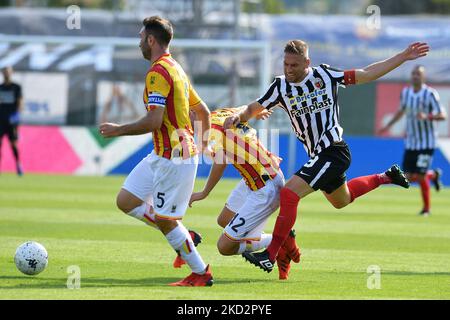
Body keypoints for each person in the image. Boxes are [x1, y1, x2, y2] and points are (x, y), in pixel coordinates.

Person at [224, 40, 429, 273]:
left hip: (333, 150)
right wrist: (238, 116)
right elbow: (253, 108)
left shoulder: (325, 75)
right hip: (319, 155)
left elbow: (367, 73)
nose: (289, 69)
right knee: (342, 200)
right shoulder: (280, 86)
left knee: (289, 193)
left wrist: (403, 55)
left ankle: (270, 255)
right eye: (285, 64)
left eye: (294, 65)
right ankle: (386, 177)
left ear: (307, 63)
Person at [99, 16, 213, 286]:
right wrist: (205, 145)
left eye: (141, 37)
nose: (139, 42)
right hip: (163, 154)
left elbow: (154, 121)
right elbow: (203, 111)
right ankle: (185, 235)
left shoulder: (158, 72)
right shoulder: (176, 68)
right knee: (126, 200)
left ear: (151, 40)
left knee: (166, 220)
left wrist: (118, 130)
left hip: (174, 157)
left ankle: (200, 272)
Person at [189, 107, 300, 280]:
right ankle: (277, 240)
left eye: (184, 111)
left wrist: (204, 193)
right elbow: (246, 109)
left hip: (265, 186)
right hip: (256, 178)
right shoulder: (221, 113)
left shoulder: (211, 129)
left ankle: (280, 239)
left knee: (225, 246)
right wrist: (258, 111)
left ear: (194, 112)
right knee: (224, 220)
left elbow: (221, 162)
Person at [380, 65, 446, 216]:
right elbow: (401, 111)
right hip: (411, 142)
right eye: (414, 73)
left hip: (426, 143)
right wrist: (388, 126)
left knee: (421, 176)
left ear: (423, 77)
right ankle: (433, 175)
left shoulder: (430, 94)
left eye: (418, 74)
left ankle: (426, 209)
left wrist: (428, 117)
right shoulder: (406, 93)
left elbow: (443, 115)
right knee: (408, 177)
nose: (415, 76)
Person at [0, 66, 23, 176]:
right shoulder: (0, 88)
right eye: (5, 72)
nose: (6, 74)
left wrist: (17, 115)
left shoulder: (16, 87)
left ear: (12, 73)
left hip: (11, 120)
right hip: (0, 120)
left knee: (13, 144)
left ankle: (18, 164)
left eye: (8, 72)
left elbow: (20, 102)